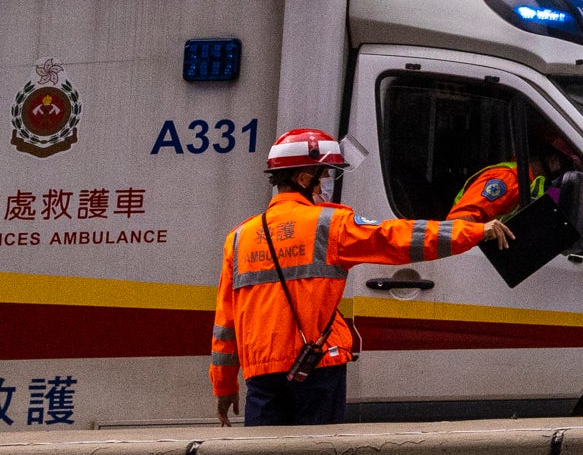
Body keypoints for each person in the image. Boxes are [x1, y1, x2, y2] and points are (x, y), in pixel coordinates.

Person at [211, 128, 507, 428]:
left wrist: (224, 386)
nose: (326, 184)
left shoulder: (239, 238)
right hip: (318, 368)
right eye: (324, 176)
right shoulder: (330, 225)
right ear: (303, 179)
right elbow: (398, 238)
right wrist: (473, 231)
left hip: (262, 375)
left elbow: (226, 324)